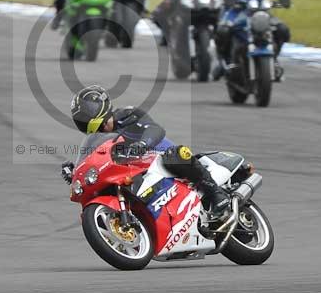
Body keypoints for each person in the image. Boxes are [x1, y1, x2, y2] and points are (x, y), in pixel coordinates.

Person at [60, 85, 231, 220]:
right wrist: (76, 171)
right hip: (138, 173)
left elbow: (156, 130)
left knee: (177, 154)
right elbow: (95, 161)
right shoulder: (98, 141)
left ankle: (216, 193)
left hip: (161, 158)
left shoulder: (128, 115)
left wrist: (142, 144)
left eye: (86, 114)